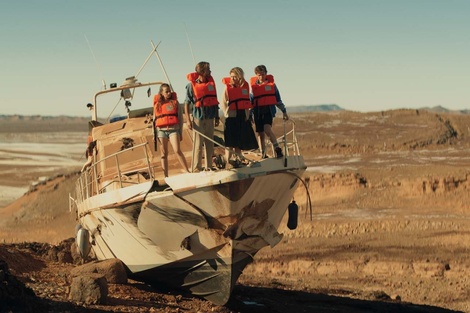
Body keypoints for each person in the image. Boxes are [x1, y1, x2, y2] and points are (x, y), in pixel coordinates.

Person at [184, 61, 220, 172]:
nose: (210, 71)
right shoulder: (191, 86)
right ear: (203, 72)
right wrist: (188, 120)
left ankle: (209, 166)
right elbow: (187, 103)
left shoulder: (211, 84)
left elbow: (215, 101)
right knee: (198, 144)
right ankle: (196, 168)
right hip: (198, 117)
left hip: (210, 116)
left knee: (210, 143)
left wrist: (217, 117)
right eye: (208, 69)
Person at [221, 67, 258, 167]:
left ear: (239, 77)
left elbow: (247, 103)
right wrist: (227, 113)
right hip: (231, 117)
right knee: (230, 142)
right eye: (231, 77)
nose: (232, 79)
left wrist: (247, 116)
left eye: (234, 77)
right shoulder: (227, 88)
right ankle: (227, 161)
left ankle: (237, 160)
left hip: (242, 116)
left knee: (239, 142)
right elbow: (223, 103)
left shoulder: (245, 87)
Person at [250, 65, 288, 158]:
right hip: (257, 112)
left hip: (268, 111)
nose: (261, 77)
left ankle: (277, 149)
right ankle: (263, 154)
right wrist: (250, 114)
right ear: (256, 75)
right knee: (260, 134)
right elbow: (251, 102)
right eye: (259, 75)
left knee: (267, 129)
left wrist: (284, 111)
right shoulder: (253, 87)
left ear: (266, 74)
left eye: (263, 74)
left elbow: (278, 100)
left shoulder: (272, 86)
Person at [154, 83, 190, 177]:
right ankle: (166, 176)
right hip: (161, 131)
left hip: (174, 129)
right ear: (161, 93)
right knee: (164, 153)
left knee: (177, 150)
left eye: (170, 91)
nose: (169, 93)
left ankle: (187, 171)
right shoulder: (157, 104)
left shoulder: (175, 103)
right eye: (167, 91)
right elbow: (155, 120)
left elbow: (180, 118)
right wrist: (155, 134)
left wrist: (180, 132)